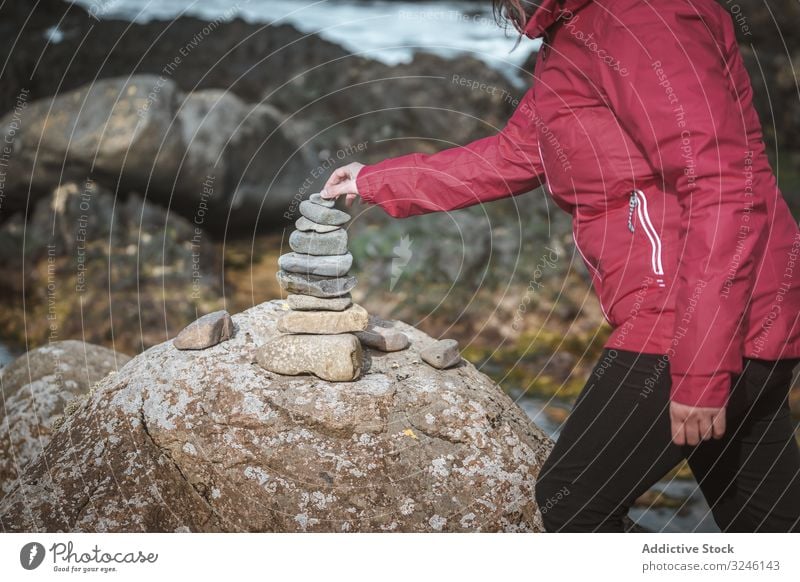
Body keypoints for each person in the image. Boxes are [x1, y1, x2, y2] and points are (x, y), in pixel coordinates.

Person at [320, 0, 800, 532]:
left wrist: (702, 372)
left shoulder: (644, 15)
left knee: (574, 505)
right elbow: (516, 154)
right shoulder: (575, 33)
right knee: (771, 534)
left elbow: (720, 183)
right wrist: (375, 180)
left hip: (696, 317)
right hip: (727, 316)